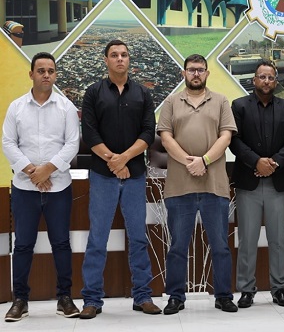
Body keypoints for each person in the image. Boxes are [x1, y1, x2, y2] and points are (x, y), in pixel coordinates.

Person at [80, 39, 161, 319]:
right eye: (114, 55)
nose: (119, 59)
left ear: (129, 59)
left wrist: (123, 159)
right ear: (106, 60)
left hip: (134, 175)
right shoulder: (93, 92)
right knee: (97, 238)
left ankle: (143, 296)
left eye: (124, 54)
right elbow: (90, 134)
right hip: (103, 175)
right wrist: (114, 163)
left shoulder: (142, 93)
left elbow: (148, 132)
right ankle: (92, 299)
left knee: (138, 237)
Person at [157, 54, 238, 314]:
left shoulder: (221, 101)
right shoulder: (171, 102)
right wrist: (190, 162)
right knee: (178, 246)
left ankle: (223, 296)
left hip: (214, 185)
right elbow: (166, 138)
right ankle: (175, 296)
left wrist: (204, 161)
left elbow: (226, 137)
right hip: (180, 186)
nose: (196, 74)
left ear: (207, 73)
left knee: (220, 246)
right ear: (183, 73)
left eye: (200, 70)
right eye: (191, 70)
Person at [2, 52, 80, 322]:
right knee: (23, 244)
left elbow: (72, 143)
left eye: (51, 71)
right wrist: (32, 171)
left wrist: (48, 169)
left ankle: (65, 298)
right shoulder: (16, 107)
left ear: (55, 75)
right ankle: (20, 300)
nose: (46, 75)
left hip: (59, 187)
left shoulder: (66, 107)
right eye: (41, 70)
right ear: (31, 74)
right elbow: (8, 143)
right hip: (25, 188)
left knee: (61, 243)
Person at [230, 60, 284, 308]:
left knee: (278, 239)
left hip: (276, 181)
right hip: (248, 181)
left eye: (270, 77)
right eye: (262, 77)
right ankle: (246, 289)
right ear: (254, 80)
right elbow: (234, 141)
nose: (266, 81)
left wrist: (273, 163)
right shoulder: (239, 106)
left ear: (276, 81)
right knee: (247, 239)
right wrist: (256, 162)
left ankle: (279, 288)